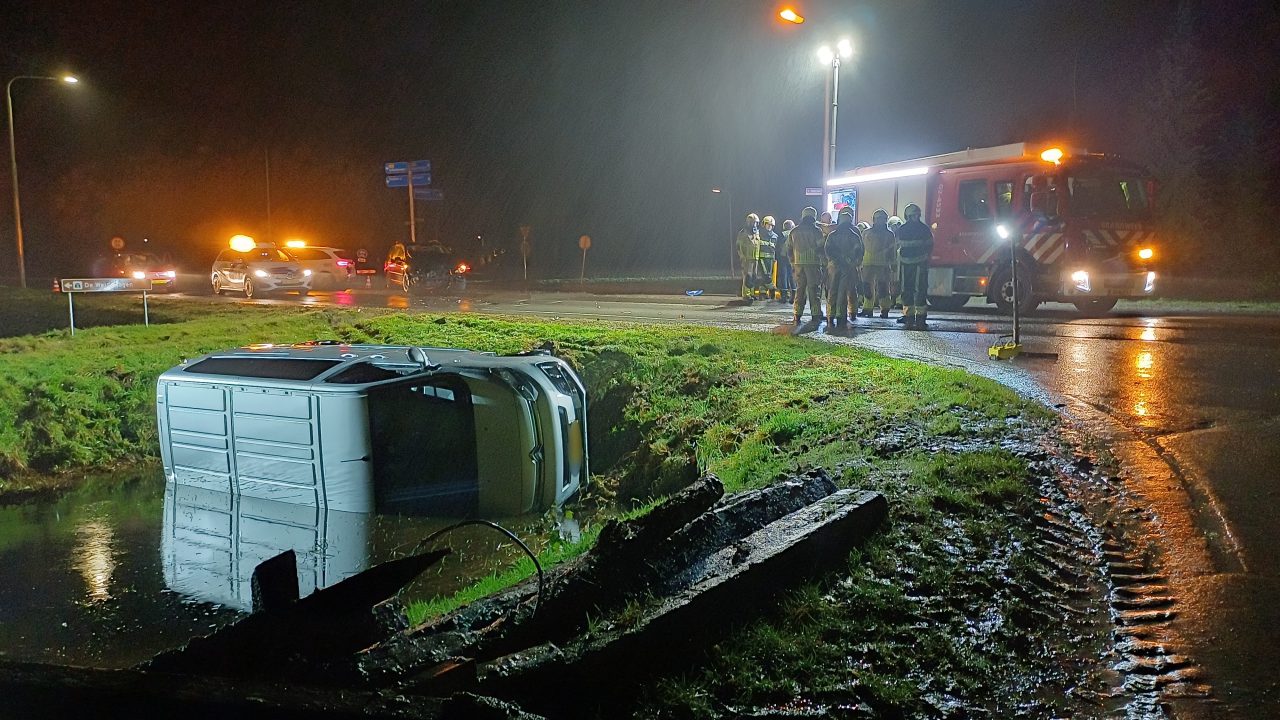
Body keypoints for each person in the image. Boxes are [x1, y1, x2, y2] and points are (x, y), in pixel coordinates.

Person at [823, 206, 863, 328]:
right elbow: (859, 251)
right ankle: (841, 315)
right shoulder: (854, 235)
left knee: (832, 290)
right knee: (845, 291)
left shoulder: (833, 235)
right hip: (848, 267)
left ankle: (830, 315)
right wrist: (854, 262)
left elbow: (827, 250)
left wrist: (833, 260)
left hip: (834, 267)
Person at [897, 202, 935, 330]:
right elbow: (930, 245)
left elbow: (898, 244)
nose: (915, 218)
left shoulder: (902, 229)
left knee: (912, 289)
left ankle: (913, 317)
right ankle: (917, 317)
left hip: (909, 262)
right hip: (917, 262)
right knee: (916, 289)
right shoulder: (924, 229)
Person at [789, 207, 825, 325]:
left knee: (800, 289)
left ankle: (797, 314)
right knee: (814, 289)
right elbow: (821, 248)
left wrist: (793, 262)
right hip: (813, 264)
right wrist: (824, 261)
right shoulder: (816, 231)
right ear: (813, 217)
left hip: (798, 264)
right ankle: (815, 314)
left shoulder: (794, 231)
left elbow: (789, 249)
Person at [858, 208, 897, 319]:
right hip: (869, 263)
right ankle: (868, 308)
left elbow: (892, 251)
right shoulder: (868, 233)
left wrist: (893, 263)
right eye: (879, 219)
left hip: (881, 264)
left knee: (883, 288)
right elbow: (861, 248)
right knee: (867, 287)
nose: (880, 221)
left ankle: (884, 309)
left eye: (882, 219)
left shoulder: (888, 235)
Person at [736, 213, 760, 300]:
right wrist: (742, 257)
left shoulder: (756, 233)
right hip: (747, 258)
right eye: (754, 223)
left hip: (755, 258)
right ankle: (746, 294)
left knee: (753, 276)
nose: (755, 225)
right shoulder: (743, 233)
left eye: (757, 223)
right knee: (747, 276)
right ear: (749, 223)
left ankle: (752, 292)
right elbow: (739, 247)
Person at [756, 215, 779, 300]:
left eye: (771, 225)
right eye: (767, 224)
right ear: (764, 225)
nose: (769, 226)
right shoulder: (759, 234)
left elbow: (776, 248)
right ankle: (772, 288)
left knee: (765, 275)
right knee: (766, 275)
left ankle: (763, 293)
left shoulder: (775, 236)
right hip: (762, 257)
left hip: (771, 259)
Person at [776, 219, 796, 302]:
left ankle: (784, 295)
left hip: (783, 257)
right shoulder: (794, 234)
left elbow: (778, 247)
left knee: (783, 276)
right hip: (793, 257)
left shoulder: (781, 235)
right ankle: (794, 295)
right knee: (792, 276)